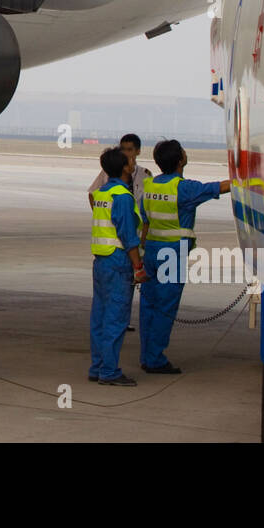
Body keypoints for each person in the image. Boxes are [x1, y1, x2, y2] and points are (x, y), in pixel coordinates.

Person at [137, 139, 231, 374]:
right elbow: (219, 187)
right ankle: (155, 359)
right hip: (172, 254)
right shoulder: (184, 188)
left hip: (151, 251)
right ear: (180, 160)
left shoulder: (149, 186)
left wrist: (139, 257)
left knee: (148, 305)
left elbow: (144, 222)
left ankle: (146, 354)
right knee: (165, 307)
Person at [88, 147, 144, 386]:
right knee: (116, 318)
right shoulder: (122, 196)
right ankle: (109, 371)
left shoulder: (101, 193)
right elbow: (128, 236)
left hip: (101, 260)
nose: (133, 165)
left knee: (99, 317)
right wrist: (138, 266)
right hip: (118, 262)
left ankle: (98, 366)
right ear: (123, 168)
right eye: (130, 162)